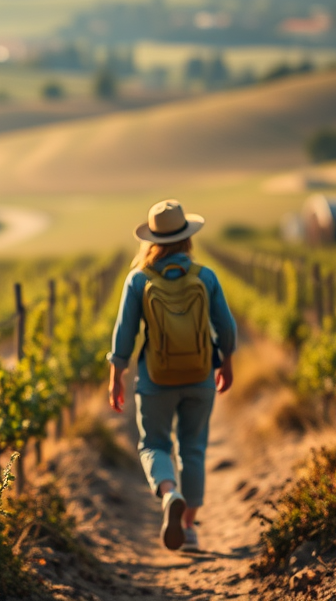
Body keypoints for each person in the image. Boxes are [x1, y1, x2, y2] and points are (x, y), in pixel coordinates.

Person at [108, 199, 236, 552]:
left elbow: (124, 334)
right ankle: (189, 527)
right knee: (193, 449)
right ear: (187, 237)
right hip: (200, 375)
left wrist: (116, 375)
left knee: (154, 444)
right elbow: (225, 327)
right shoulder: (205, 276)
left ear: (151, 240)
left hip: (155, 379)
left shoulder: (138, 279)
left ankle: (169, 493)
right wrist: (225, 363)